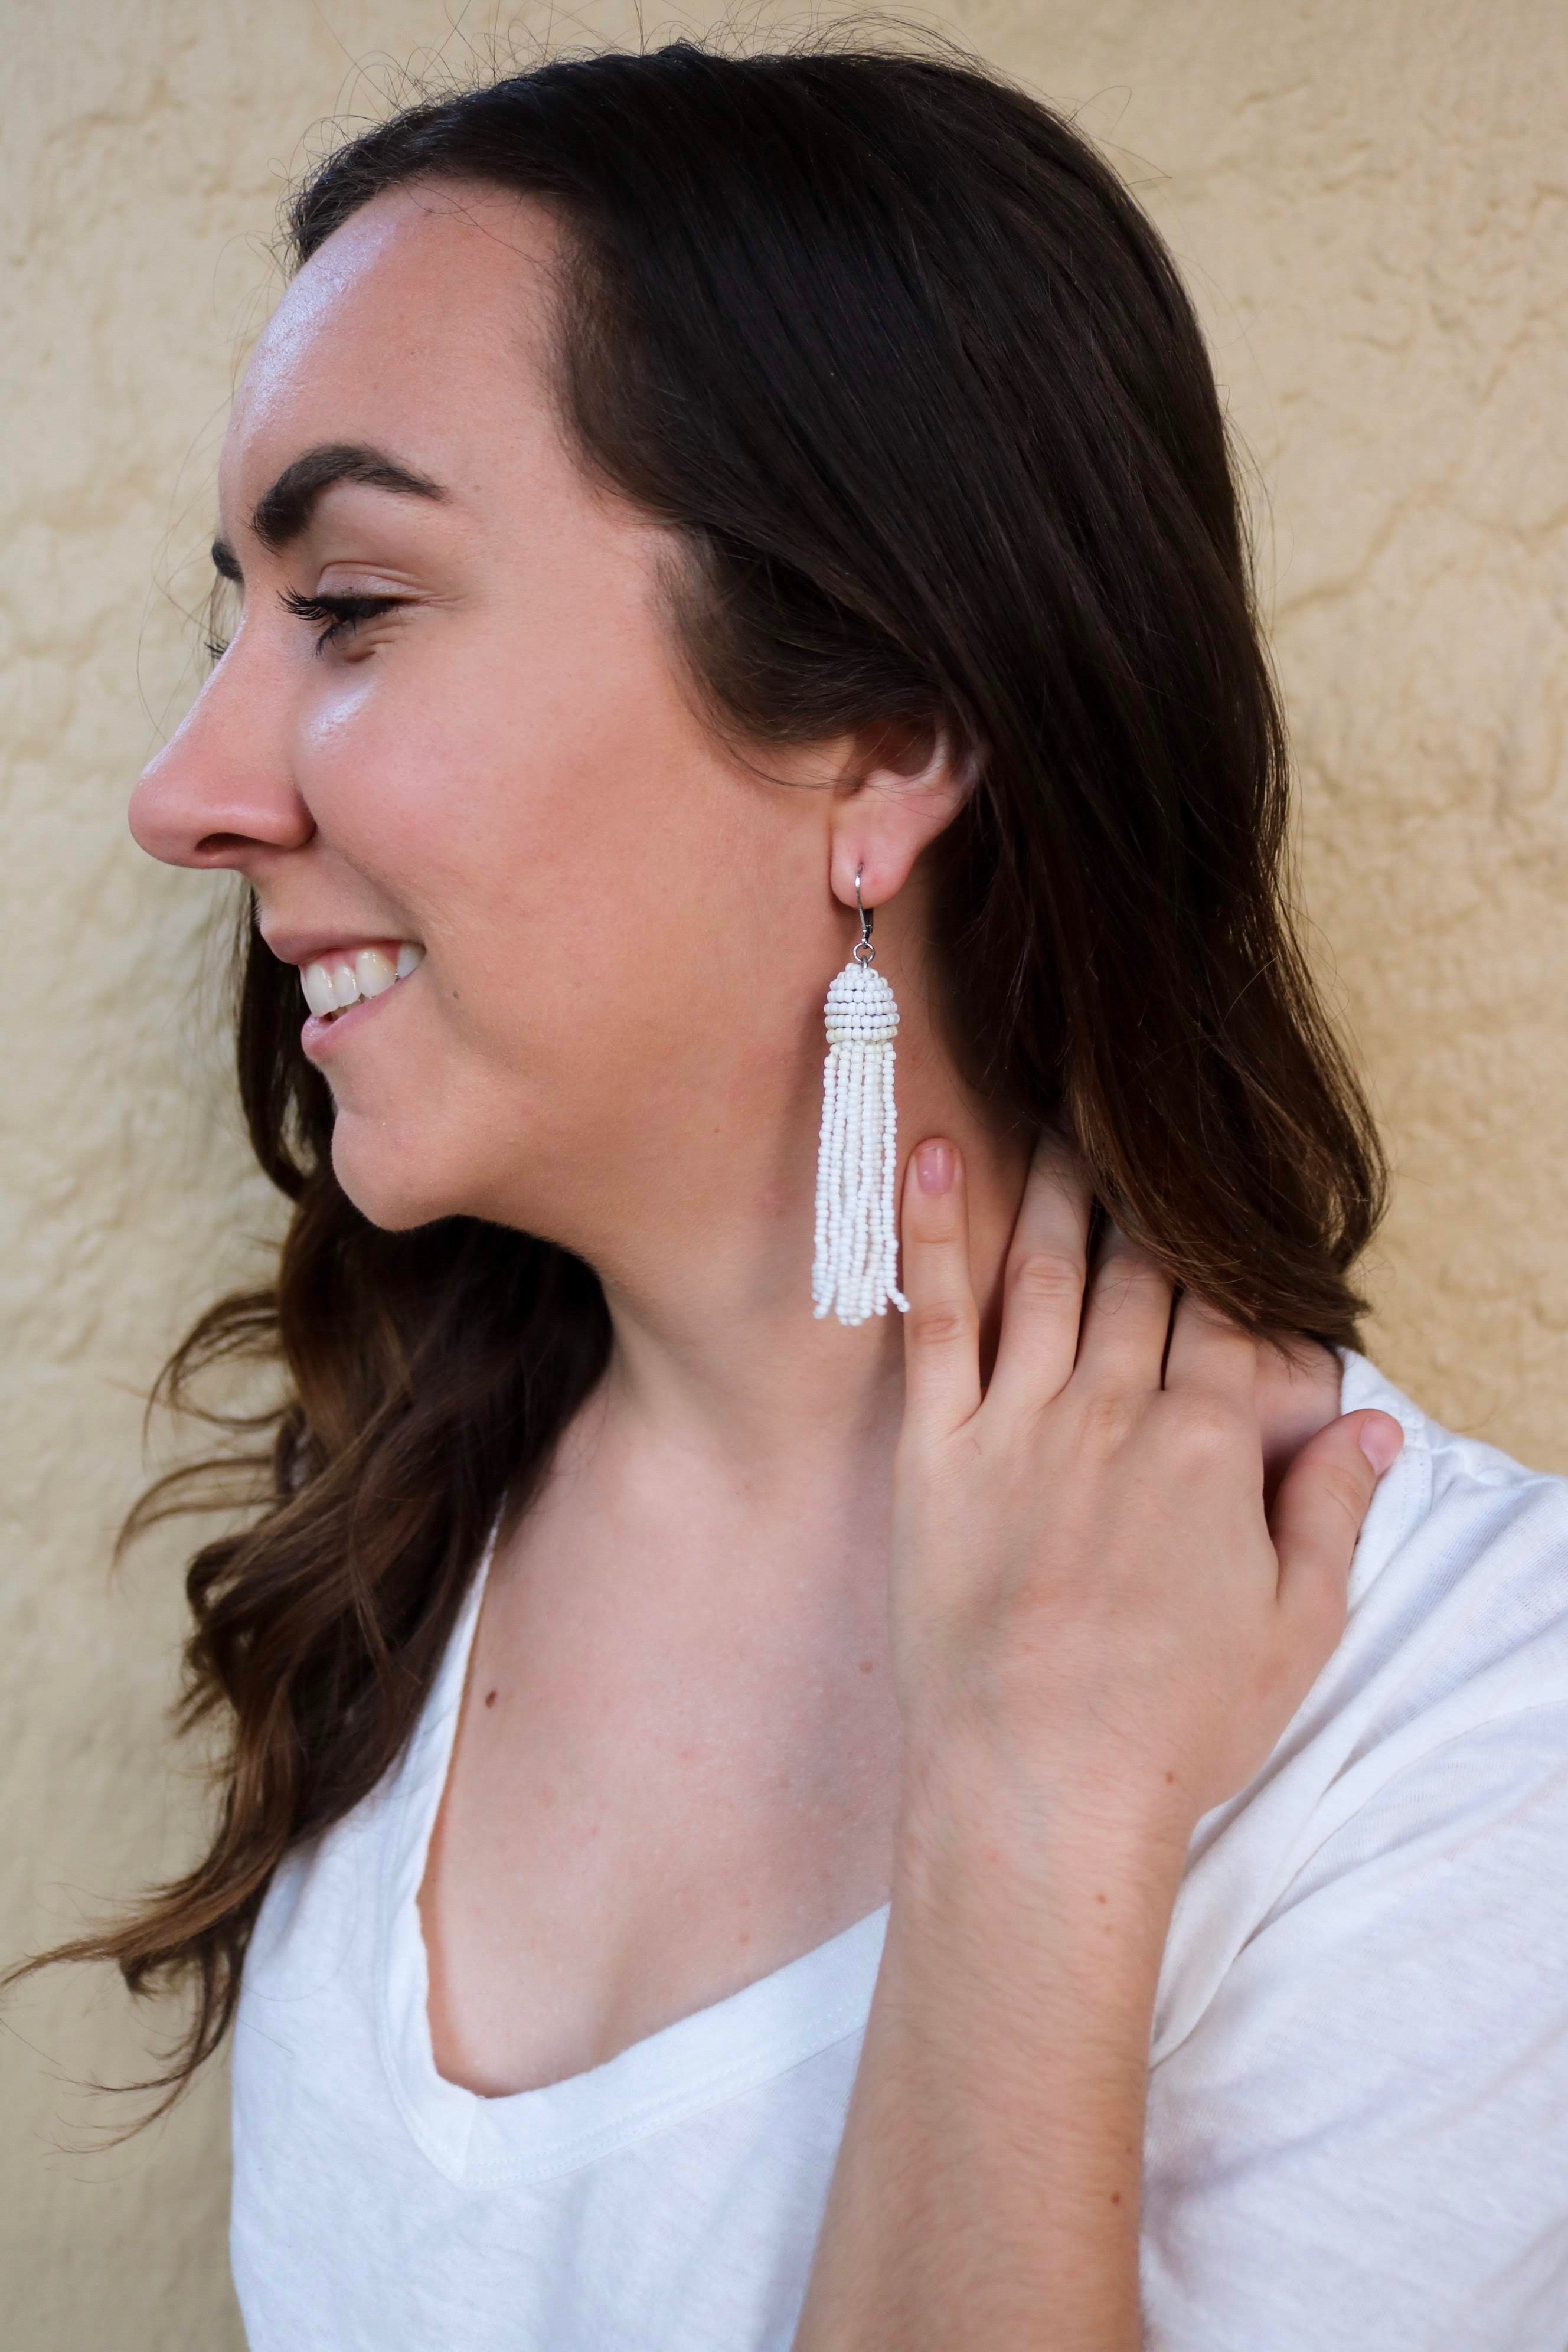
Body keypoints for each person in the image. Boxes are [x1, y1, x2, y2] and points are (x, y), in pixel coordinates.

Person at [11, 33, 1568, 2350]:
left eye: (351, 605)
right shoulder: (414, 1508)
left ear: (885, 739)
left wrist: (1035, 1831)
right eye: (221, 625)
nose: (185, 791)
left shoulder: (1466, 1731)